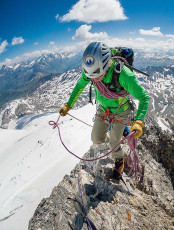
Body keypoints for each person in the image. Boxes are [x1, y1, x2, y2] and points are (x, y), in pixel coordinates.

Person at [59, 42, 149, 180]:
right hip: (103, 109)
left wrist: (139, 121)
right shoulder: (91, 72)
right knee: (96, 138)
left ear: (107, 64)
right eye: (91, 77)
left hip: (120, 111)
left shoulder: (124, 75)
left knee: (113, 141)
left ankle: (119, 159)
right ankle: (117, 139)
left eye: (97, 76)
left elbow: (144, 97)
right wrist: (68, 105)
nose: (94, 80)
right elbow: (79, 86)